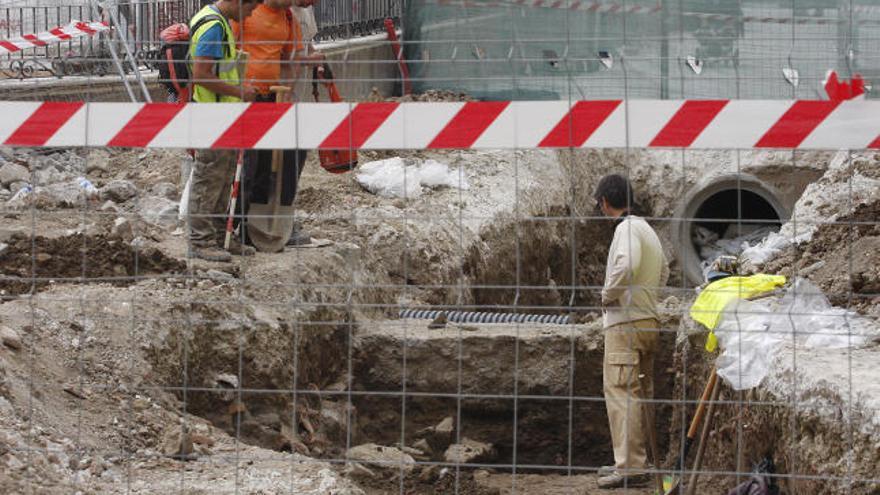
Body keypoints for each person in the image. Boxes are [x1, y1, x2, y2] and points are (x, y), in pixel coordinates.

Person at [593, 174, 669, 489]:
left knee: (621, 392)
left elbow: (625, 265)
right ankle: (639, 460)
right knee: (640, 393)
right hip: (648, 320)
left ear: (604, 203)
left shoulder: (625, 230)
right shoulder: (646, 229)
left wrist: (608, 295)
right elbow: (663, 270)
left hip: (625, 323)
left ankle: (630, 467)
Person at [232, 0, 324, 247]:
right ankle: (236, 222)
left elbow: (289, 58)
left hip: (273, 97)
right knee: (250, 164)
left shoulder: (289, 18)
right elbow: (226, 53)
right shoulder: (246, 12)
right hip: (243, 99)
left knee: (286, 156)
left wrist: (287, 94)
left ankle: (265, 221)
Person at [187, 0, 261, 262]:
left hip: (224, 115)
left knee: (223, 178)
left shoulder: (222, 23)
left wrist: (238, 86)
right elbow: (202, 74)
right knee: (209, 178)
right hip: (211, 115)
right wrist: (240, 92)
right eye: (251, 7)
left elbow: (222, 71)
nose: (252, 13)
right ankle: (201, 240)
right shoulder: (213, 26)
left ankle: (219, 236)